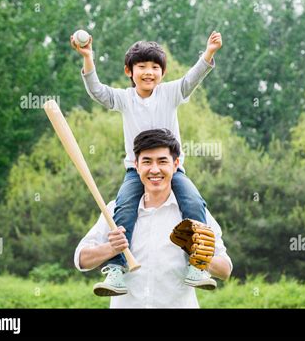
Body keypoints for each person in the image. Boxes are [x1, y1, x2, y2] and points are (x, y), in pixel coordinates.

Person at [70, 30, 223, 296]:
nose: (149, 72)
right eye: (142, 67)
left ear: (162, 72)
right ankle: (117, 269)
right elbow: (97, 92)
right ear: (129, 71)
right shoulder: (124, 99)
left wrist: (208, 53)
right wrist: (88, 58)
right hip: (135, 171)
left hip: (172, 171)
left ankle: (197, 265)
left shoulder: (171, 93)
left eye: (155, 67)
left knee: (194, 203)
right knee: (124, 208)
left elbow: (191, 79)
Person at [74, 129, 232, 308]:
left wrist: (199, 253)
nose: (155, 169)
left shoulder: (194, 213)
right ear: (137, 166)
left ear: (175, 164)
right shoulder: (116, 210)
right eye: (147, 161)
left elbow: (225, 270)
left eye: (162, 161)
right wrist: (111, 249)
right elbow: (81, 260)